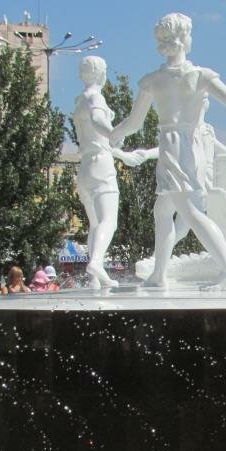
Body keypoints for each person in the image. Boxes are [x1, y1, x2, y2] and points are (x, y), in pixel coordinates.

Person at [109, 12, 226, 290]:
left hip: (174, 145)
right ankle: (162, 273)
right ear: (184, 39)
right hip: (187, 146)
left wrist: (112, 135)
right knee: (164, 211)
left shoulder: (152, 81)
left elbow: (133, 124)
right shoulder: (199, 77)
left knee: (190, 212)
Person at [71, 55, 148, 289]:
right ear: (101, 74)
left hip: (85, 167)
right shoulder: (95, 97)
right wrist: (115, 132)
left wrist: (123, 155)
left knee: (95, 224)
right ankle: (95, 263)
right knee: (109, 222)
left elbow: (95, 140)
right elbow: (98, 124)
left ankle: (94, 277)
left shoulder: (79, 100)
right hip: (101, 166)